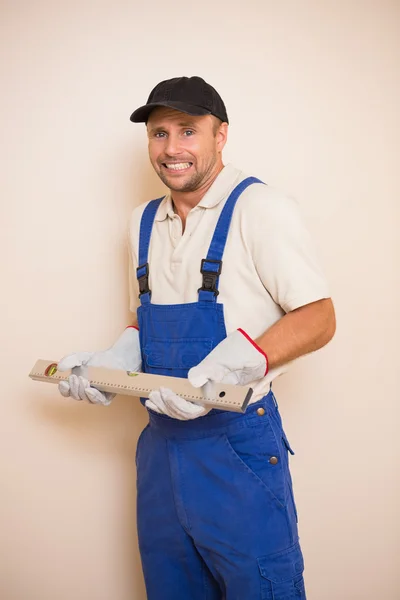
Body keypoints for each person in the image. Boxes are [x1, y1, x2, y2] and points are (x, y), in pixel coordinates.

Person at [57, 76, 336, 600]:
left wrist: (246, 359)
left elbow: (319, 316)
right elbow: (145, 319)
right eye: (159, 133)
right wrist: (116, 361)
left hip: (238, 448)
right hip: (159, 450)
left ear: (221, 135)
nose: (172, 149)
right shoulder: (142, 221)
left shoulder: (262, 208)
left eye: (189, 130)